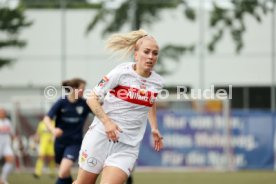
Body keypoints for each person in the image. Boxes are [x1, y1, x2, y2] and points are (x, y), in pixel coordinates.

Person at [74, 29, 164, 184]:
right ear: (136, 54)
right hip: (101, 137)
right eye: (146, 52)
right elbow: (92, 99)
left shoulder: (158, 82)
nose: (151, 56)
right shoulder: (121, 72)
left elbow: (150, 101)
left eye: (155, 53)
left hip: (128, 146)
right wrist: (107, 123)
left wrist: (154, 127)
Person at [43, 78, 92, 184]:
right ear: (73, 88)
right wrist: (53, 130)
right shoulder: (61, 102)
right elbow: (47, 118)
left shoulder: (84, 103)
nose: (83, 91)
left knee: (63, 172)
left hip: (74, 143)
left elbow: (99, 112)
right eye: (82, 89)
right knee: (65, 173)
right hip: (59, 142)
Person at [0, 108, 15, 184]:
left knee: (11, 160)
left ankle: (2, 179)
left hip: (6, 145)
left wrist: (14, 141)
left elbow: (12, 134)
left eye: (4, 112)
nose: (3, 113)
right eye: (1, 112)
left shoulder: (8, 122)